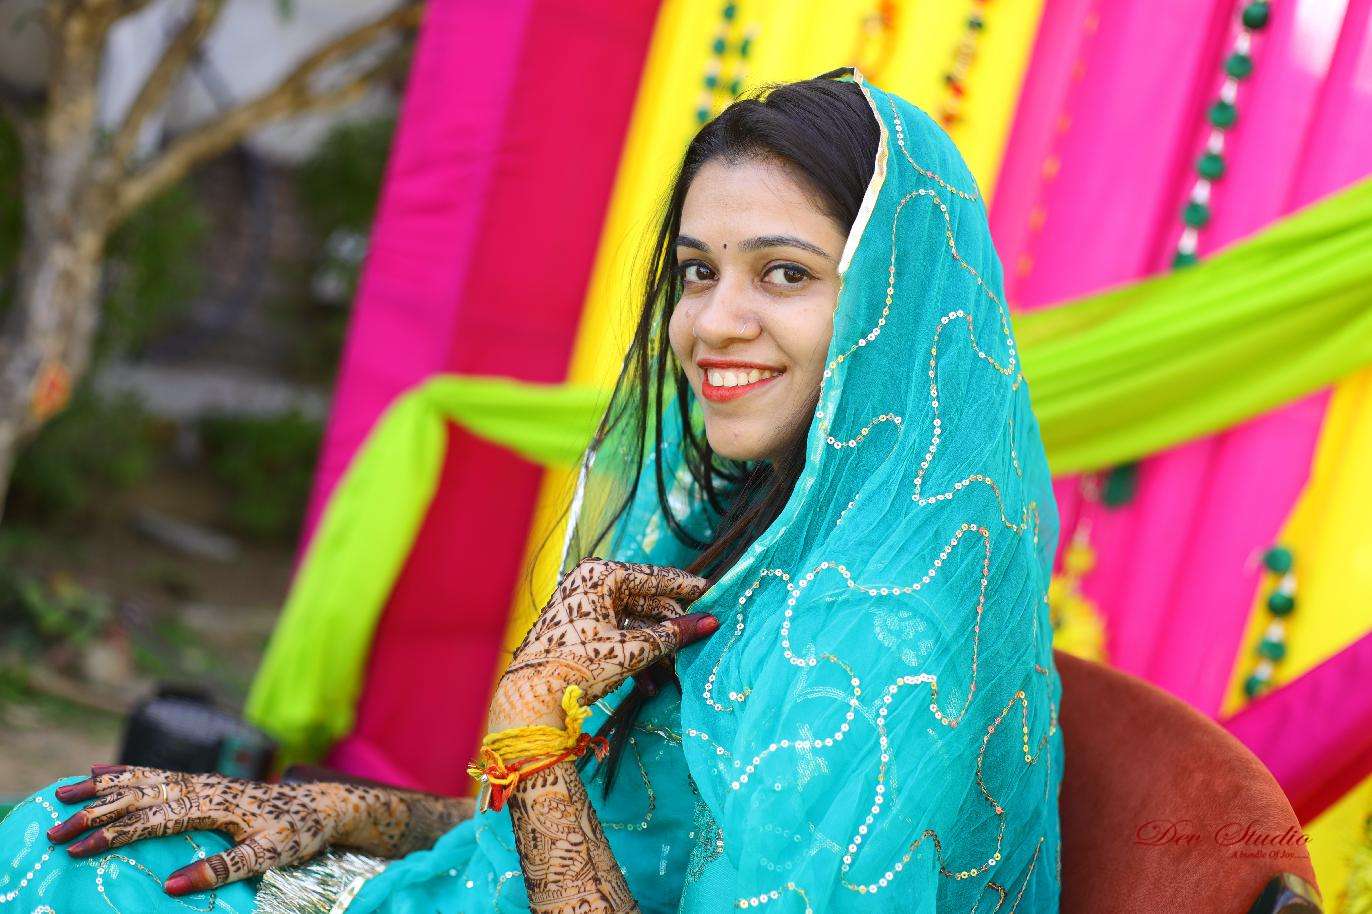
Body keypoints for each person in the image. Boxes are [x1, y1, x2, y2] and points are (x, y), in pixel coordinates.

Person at [0, 66, 1063, 913]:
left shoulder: (879, 644)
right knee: (70, 841)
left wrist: (536, 735)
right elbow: (596, 838)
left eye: (784, 273)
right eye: (698, 270)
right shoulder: (747, 530)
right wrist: (324, 811)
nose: (712, 323)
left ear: (891, 306)